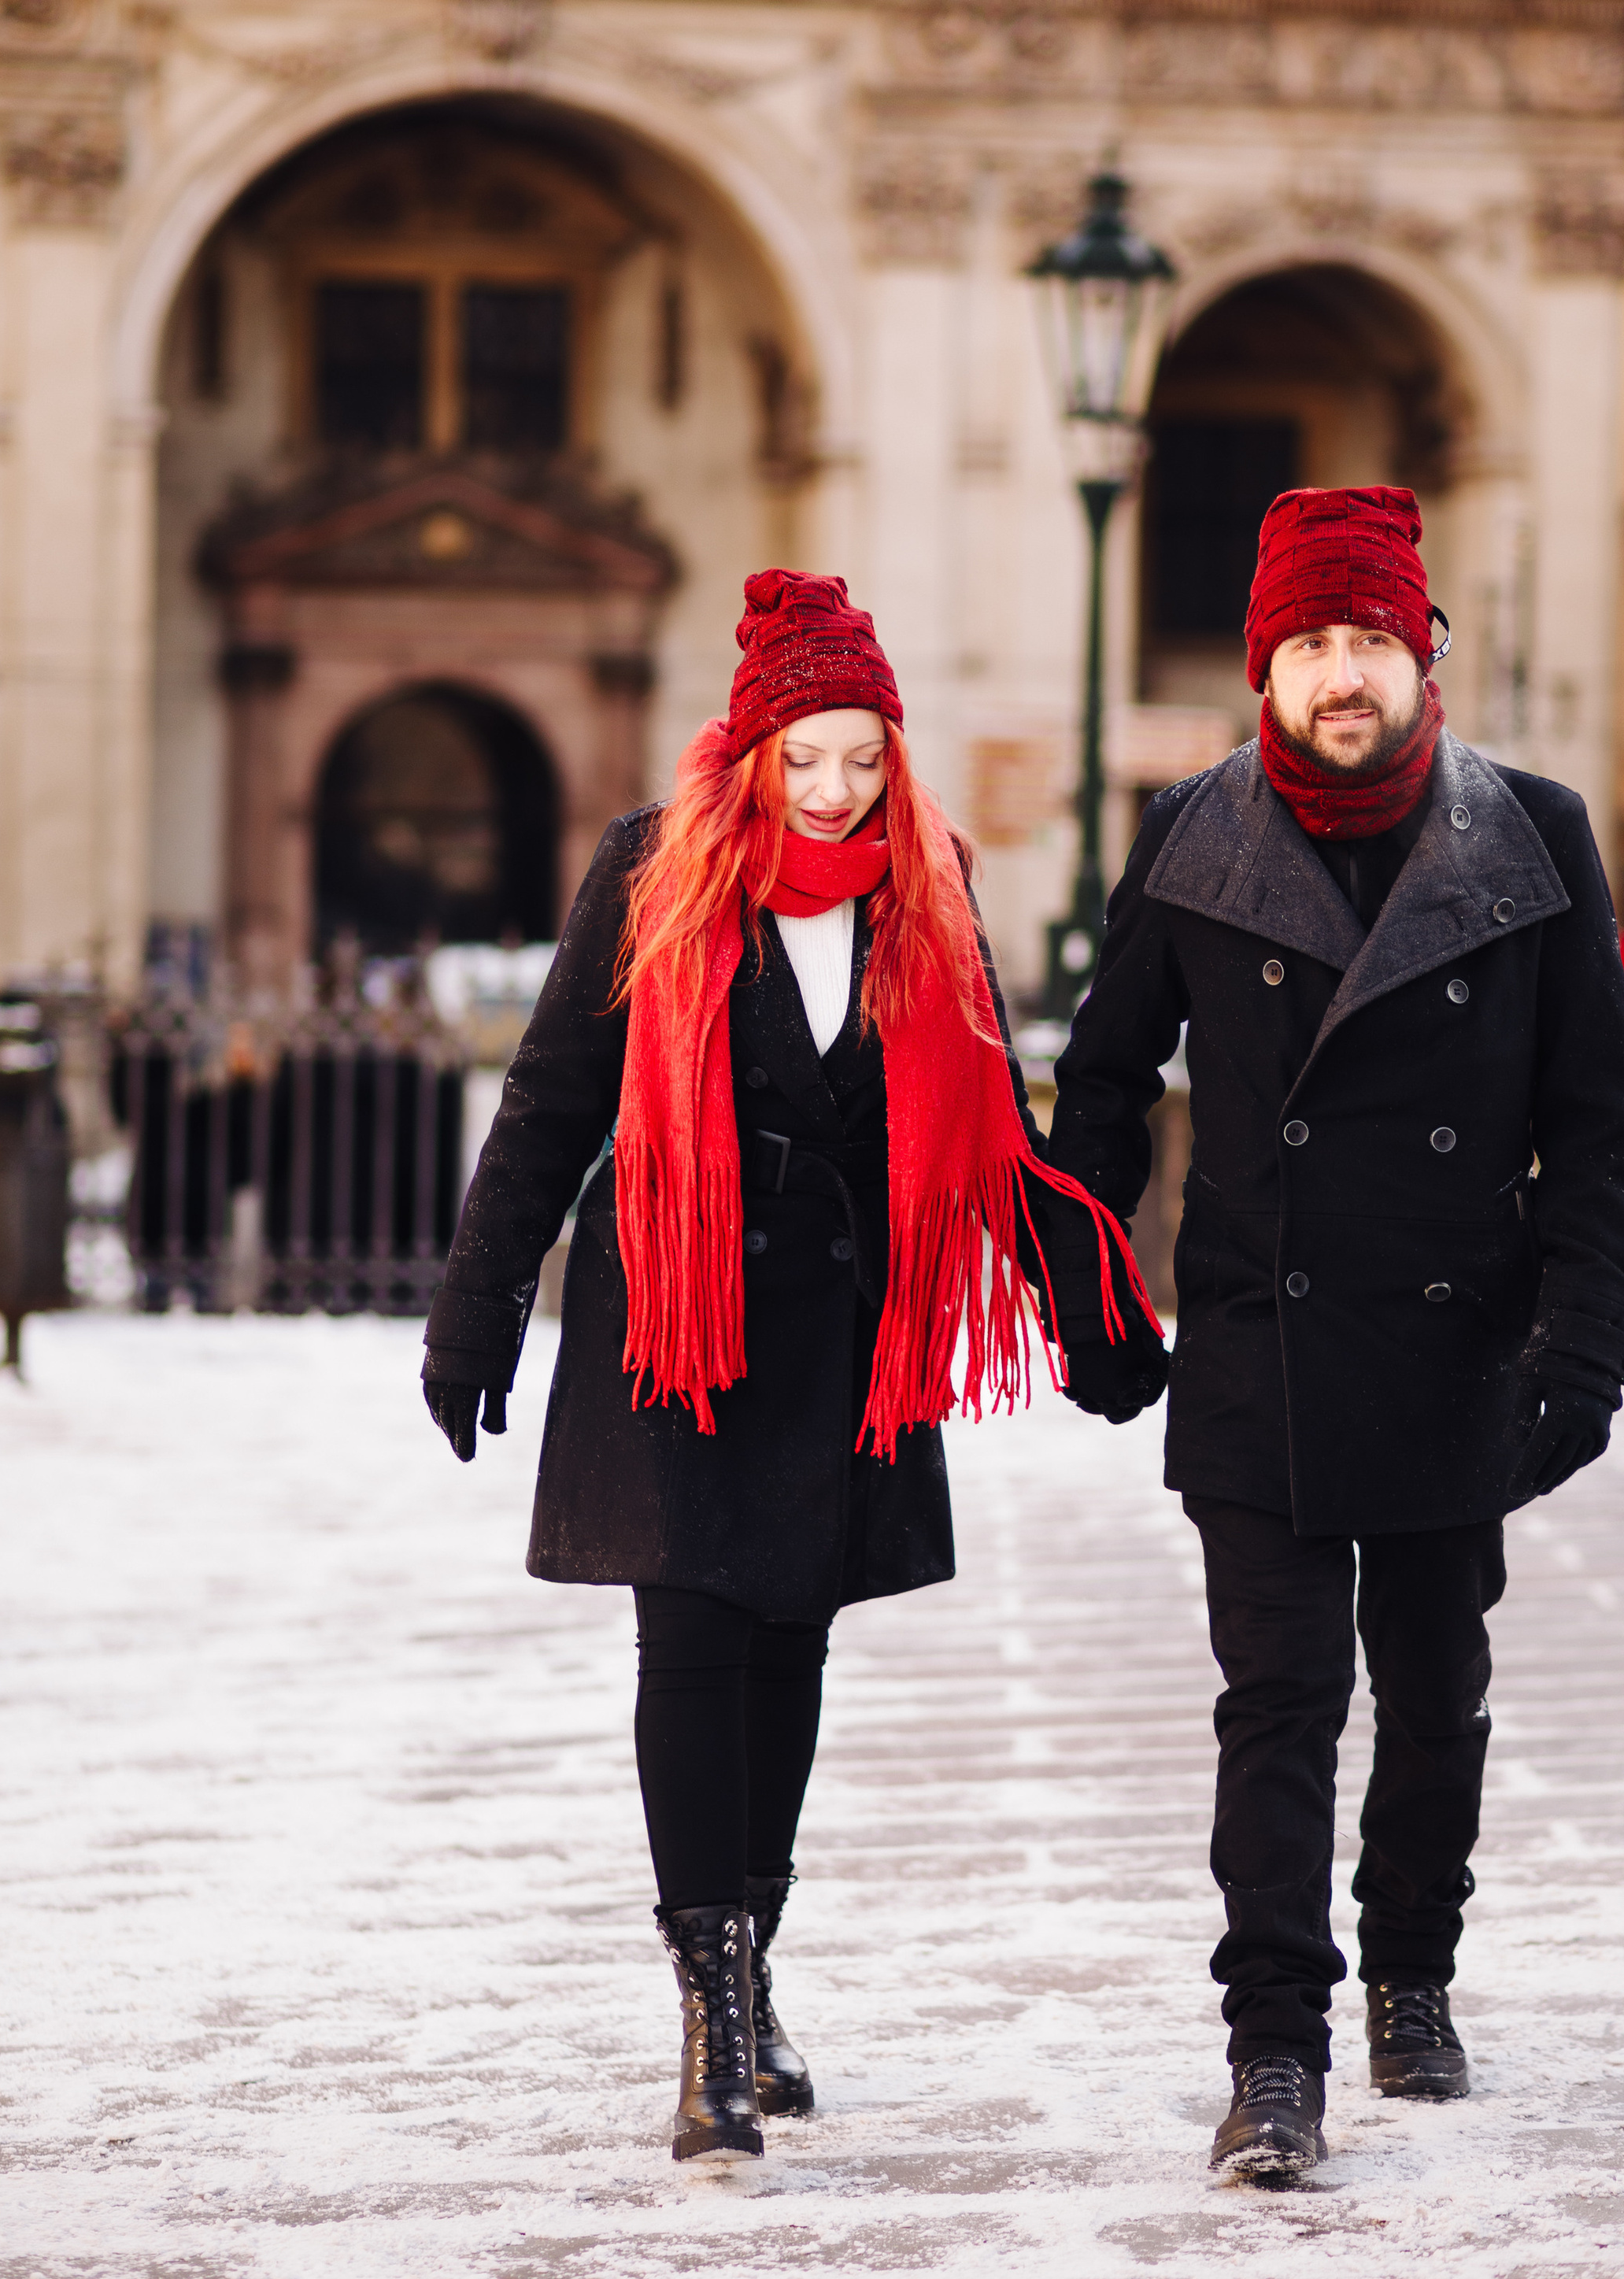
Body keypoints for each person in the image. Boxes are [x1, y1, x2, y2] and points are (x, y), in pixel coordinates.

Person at [421, 569, 1160, 2165]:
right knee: (691, 1644)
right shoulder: (653, 868)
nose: (834, 790)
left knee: (788, 1653)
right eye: (805, 758)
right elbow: (551, 1103)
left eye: (863, 760)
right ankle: (711, 2017)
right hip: (679, 1323)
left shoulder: (928, 886)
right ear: (752, 749)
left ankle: (753, 1971)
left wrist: (1083, 1304)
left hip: (838, 1331)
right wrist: (476, 1310)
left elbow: (989, 1128)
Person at [1047, 486, 1624, 2183]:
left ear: (1420, 651)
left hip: (1459, 1343)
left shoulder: (1529, 832)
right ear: (1266, 664)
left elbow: (1599, 1122)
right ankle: (1273, 2053)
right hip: (1263, 1343)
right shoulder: (1191, 834)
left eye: (1370, 638)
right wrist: (1091, 1297)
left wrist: (1582, 1343)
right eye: (1310, 642)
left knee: (1437, 1692)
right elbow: (1098, 1088)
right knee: (1278, 1703)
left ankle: (1410, 1975)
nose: (1342, 674)